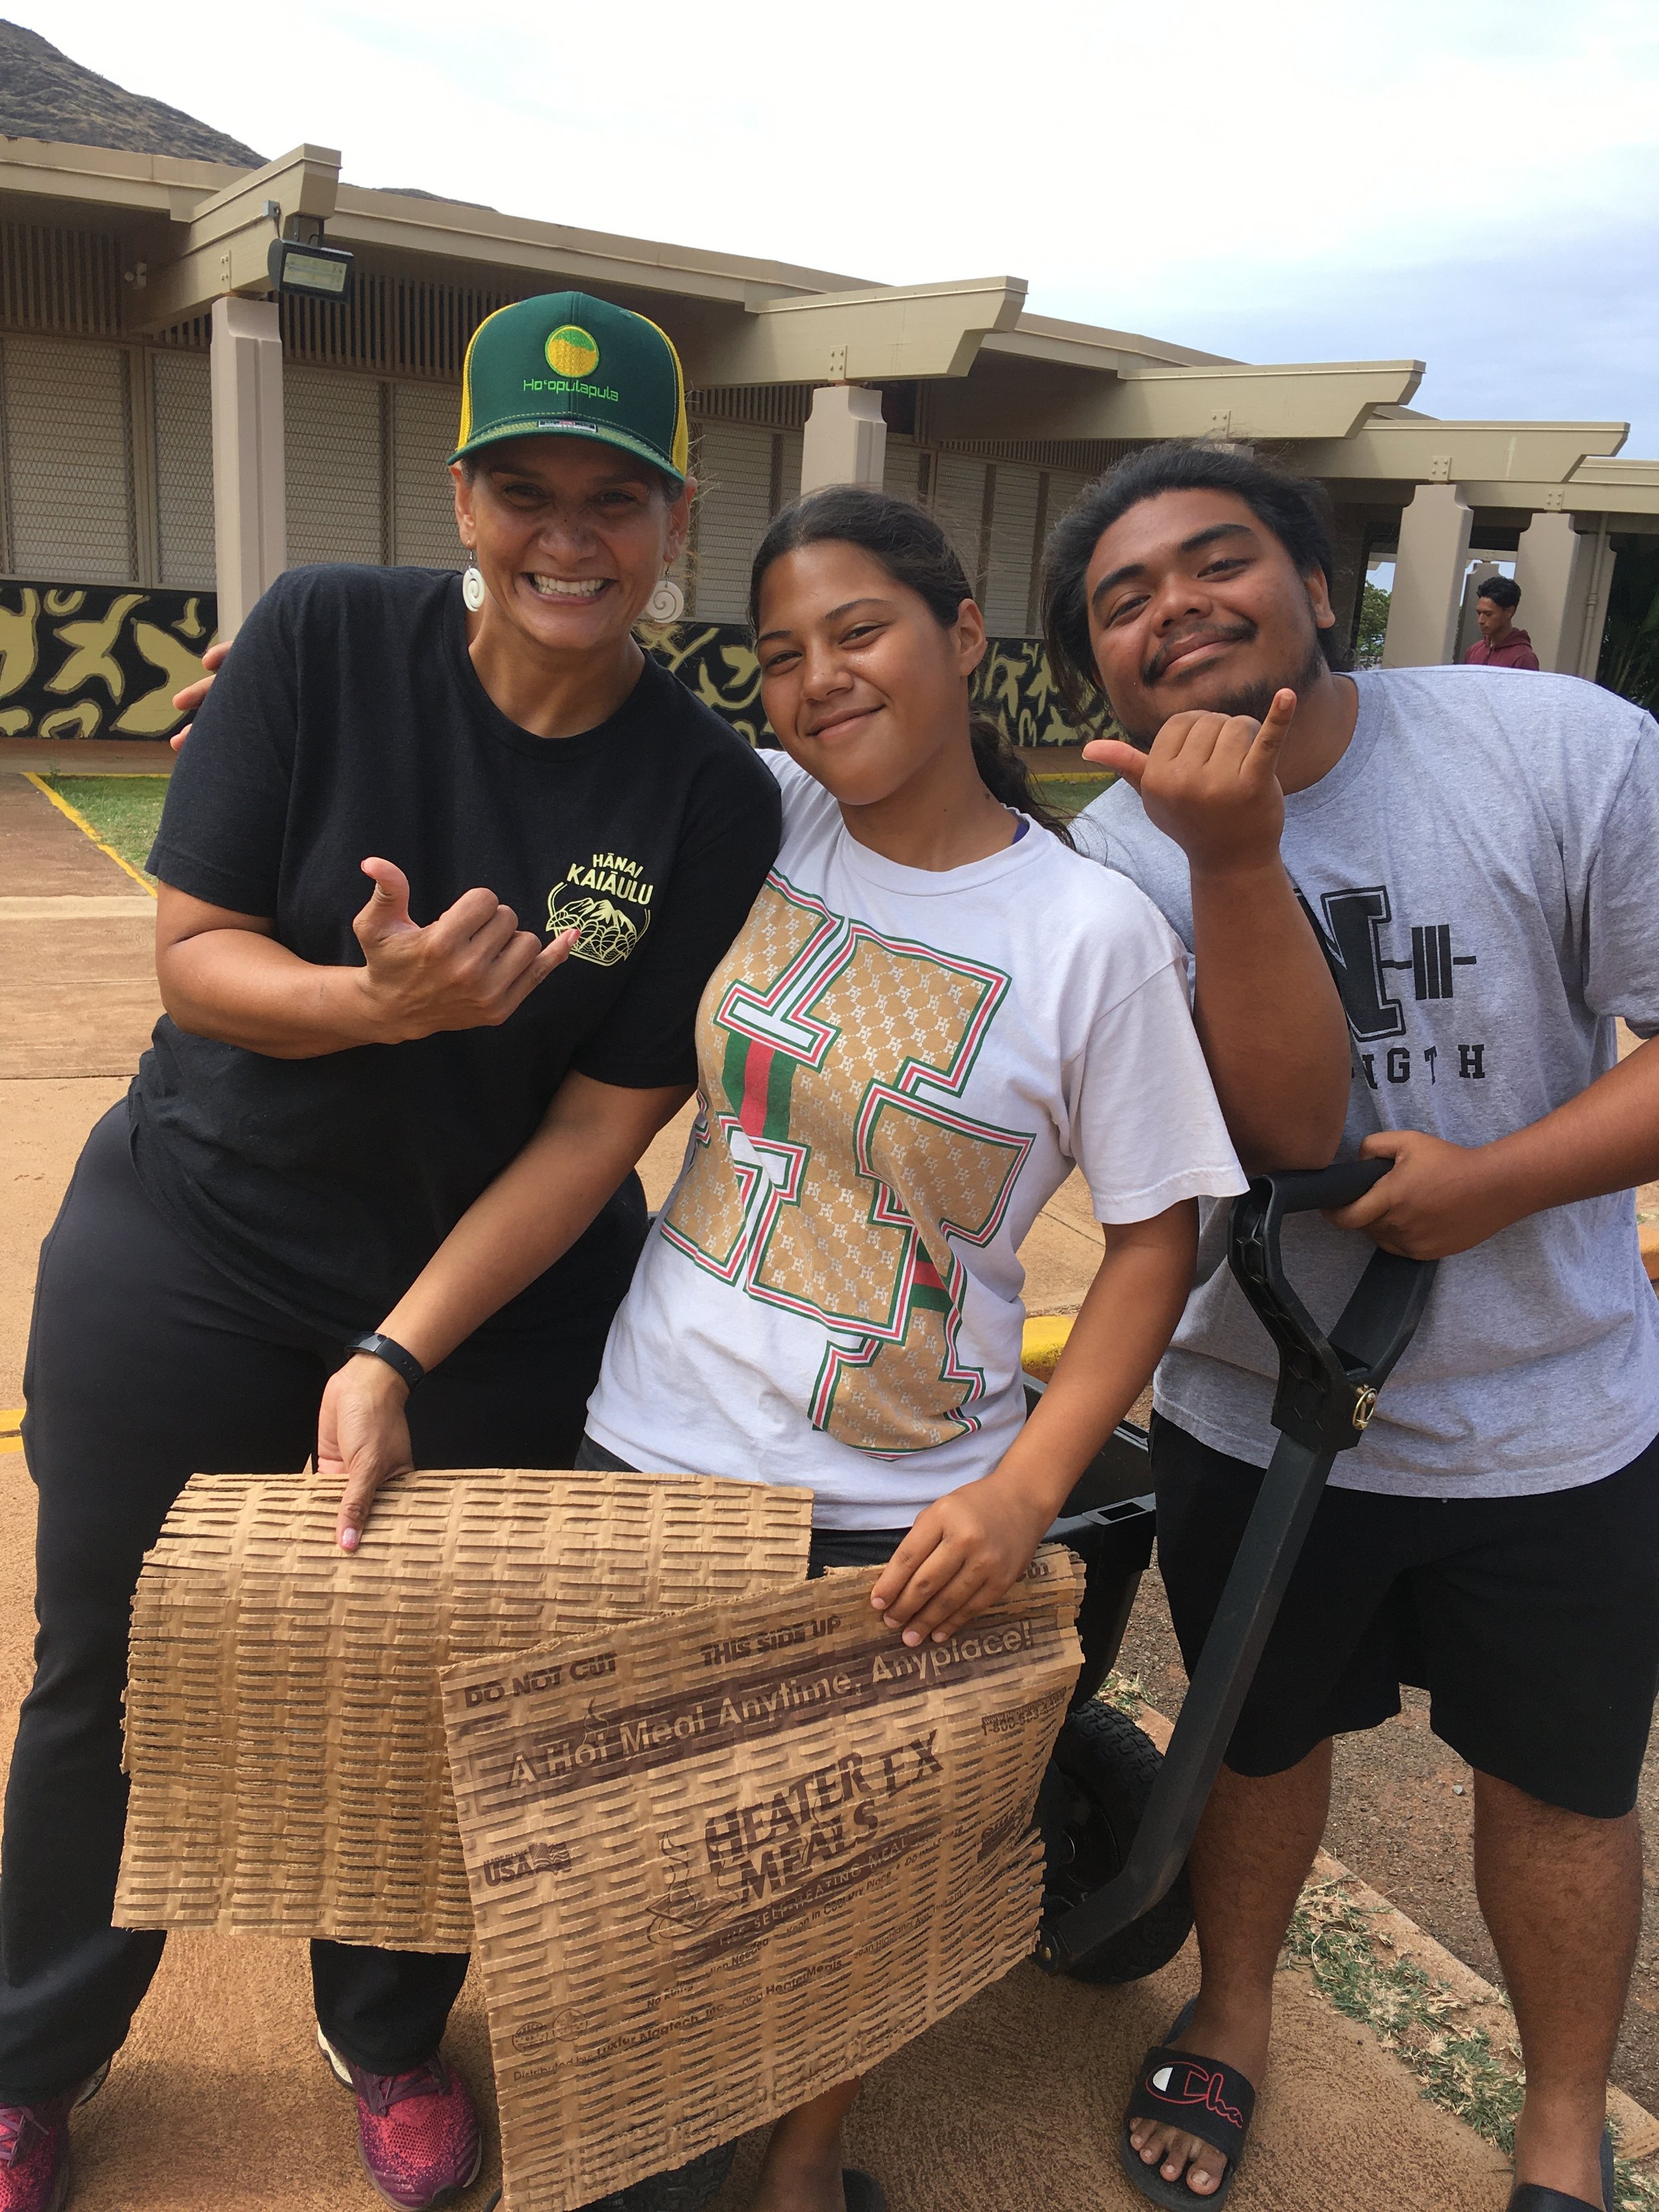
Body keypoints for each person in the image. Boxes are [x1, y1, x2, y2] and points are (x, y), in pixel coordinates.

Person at [301, 484, 1354, 2212]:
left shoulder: (1088, 932)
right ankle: (636, 2129)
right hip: (654, 1450)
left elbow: (1164, 1233)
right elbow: (544, 714)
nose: (815, 680)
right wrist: (310, 706)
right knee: (622, 1858)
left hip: (908, 1507)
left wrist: (1023, 1493)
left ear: (957, 637)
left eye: (857, 632)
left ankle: (805, 2155)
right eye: (780, 652)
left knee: (854, 1876)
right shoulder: (762, 816)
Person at [0, 290, 784, 2212]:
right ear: (462, 494)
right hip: (193, 1228)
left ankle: (387, 2028)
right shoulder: (322, 638)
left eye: (615, 497)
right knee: (116, 1662)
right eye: (525, 488)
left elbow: (606, 1117)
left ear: (674, 519)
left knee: (442, 1675)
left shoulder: (702, 790)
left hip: (490, 1289)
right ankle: (31, 2052)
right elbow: (194, 956)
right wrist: (380, 1008)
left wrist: (402, 1351)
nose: (567, 537)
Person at [1052, 440, 1659, 2212]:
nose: (1172, 608)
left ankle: (1559, 2124)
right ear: (1096, 669)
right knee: (1252, 1740)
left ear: (1321, 589)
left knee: (1560, 1790)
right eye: (1120, 599)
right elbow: (1279, 1140)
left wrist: (1498, 1181)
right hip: (1262, 1405)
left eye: (1212, 563)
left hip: (1553, 1413)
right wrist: (1227, 853)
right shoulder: (1110, 863)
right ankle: (1228, 2012)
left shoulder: (1562, 751)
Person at [1466, 573, 1540, 668]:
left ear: (1509, 612)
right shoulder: (1474, 650)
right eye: (1479, 613)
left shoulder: (1523, 658)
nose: (1481, 620)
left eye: (1488, 614)